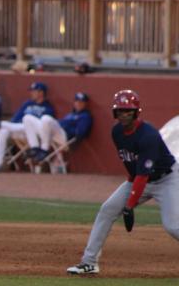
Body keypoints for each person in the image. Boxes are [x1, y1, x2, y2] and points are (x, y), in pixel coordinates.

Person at [67, 90, 178, 275]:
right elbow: (133, 169)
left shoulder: (148, 135)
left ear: (136, 112)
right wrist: (127, 201)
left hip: (168, 179)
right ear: (115, 113)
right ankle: (89, 262)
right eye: (120, 111)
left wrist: (129, 206)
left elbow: (143, 175)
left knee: (173, 226)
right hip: (139, 179)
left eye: (128, 111)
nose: (124, 114)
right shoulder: (117, 132)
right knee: (107, 210)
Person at [0, 82, 55, 172]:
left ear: (41, 93)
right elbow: (15, 119)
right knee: (3, 131)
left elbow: (42, 127)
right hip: (19, 130)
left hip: (33, 136)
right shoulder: (27, 104)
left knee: (27, 122)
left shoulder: (47, 107)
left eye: (34, 91)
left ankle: (2, 124)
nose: (31, 93)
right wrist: (11, 125)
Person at [23, 91, 92, 164]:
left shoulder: (85, 116)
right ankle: (34, 148)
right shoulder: (71, 114)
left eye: (81, 102)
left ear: (85, 104)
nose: (78, 104)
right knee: (27, 118)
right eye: (77, 101)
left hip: (65, 137)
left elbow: (80, 132)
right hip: (53, 133)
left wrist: (69, 131)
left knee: (46, 118)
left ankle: (44, 150)